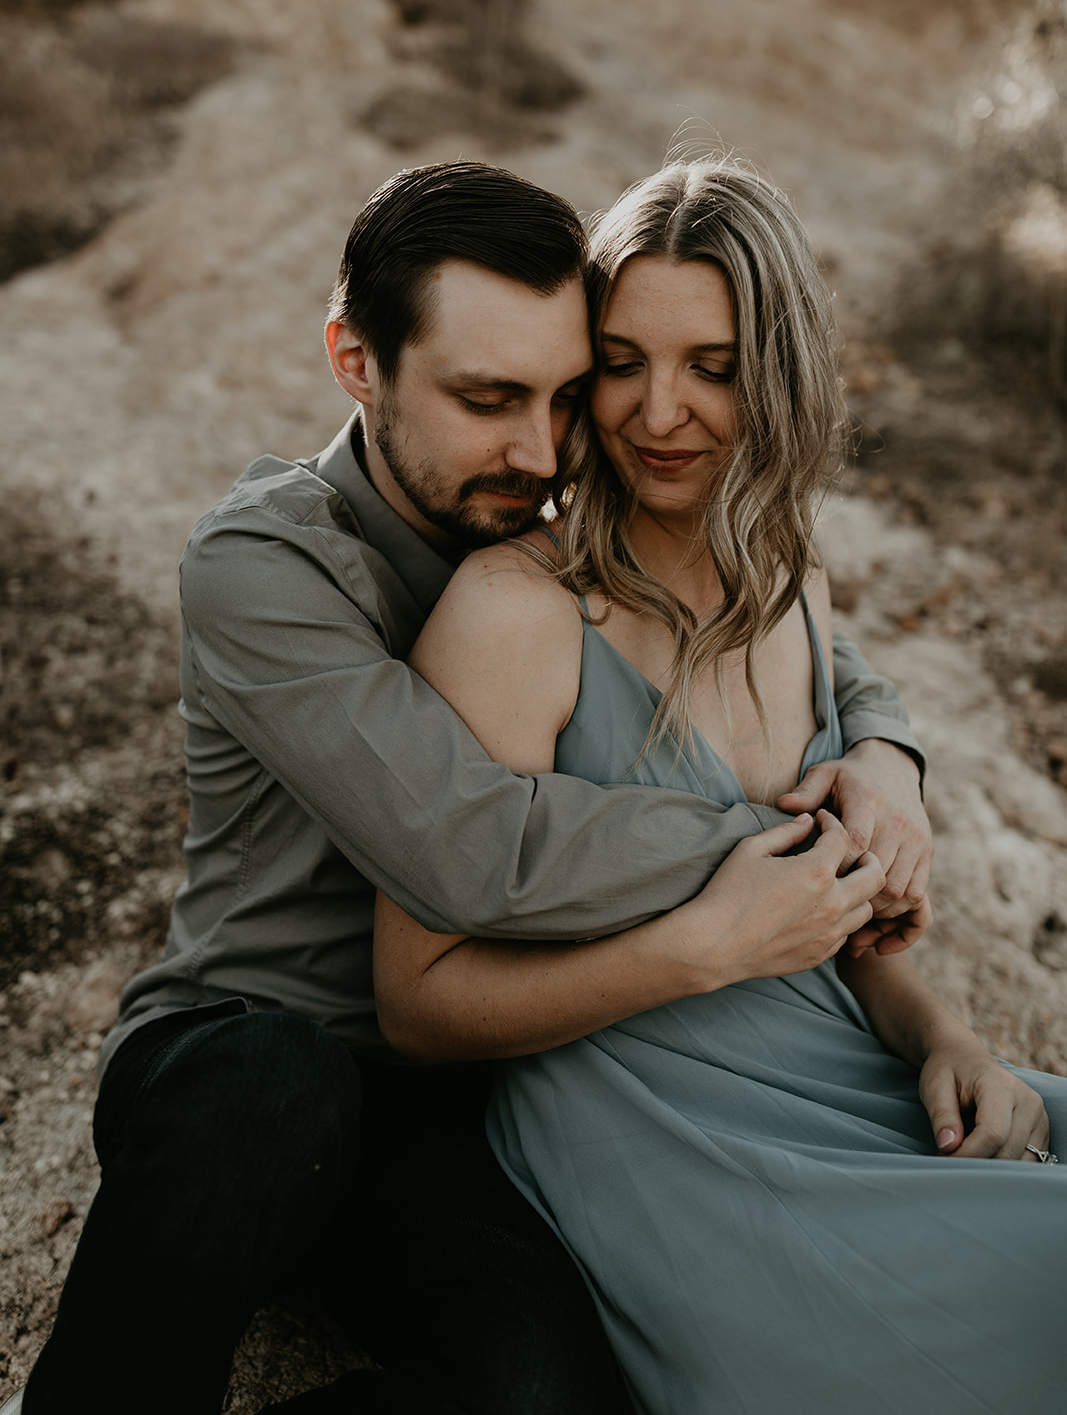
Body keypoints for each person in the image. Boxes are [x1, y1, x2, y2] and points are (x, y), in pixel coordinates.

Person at [12, 162, 930, 1415]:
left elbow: (795, 635)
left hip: (458, 1102)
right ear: (355, 360)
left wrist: (885, 753)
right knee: (274, 1086)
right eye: (488, 397)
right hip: (246, 1061)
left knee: (542, 1385)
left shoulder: (539, 509)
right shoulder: (265, 564)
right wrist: (783, 840)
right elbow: (468, 843)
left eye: (563, 393)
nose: (543, 446)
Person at [373, 158, 1067, 1415]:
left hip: (849, 1069)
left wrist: (944, 1038)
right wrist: (693, 949)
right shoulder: (513, 614)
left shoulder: (789, 579)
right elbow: (415, 1004)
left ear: (780, 372)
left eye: (713, 364)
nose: (656, 412)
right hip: (661, 1146)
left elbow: (821, 914)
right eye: (623, 360)